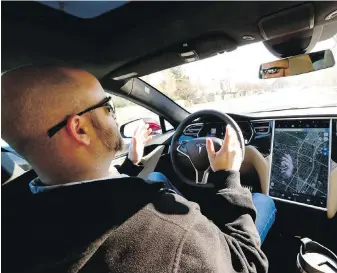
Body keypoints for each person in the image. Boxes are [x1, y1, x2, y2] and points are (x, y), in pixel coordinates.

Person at [2, 65, 273, 273]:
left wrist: (130, 166)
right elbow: (247, 263)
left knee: (155, 175)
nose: (113, 113)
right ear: (80, 129)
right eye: (107, 106)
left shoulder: (10, 211)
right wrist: (228, 179)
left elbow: (85, 199)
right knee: (263, 202)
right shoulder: (176, 232)